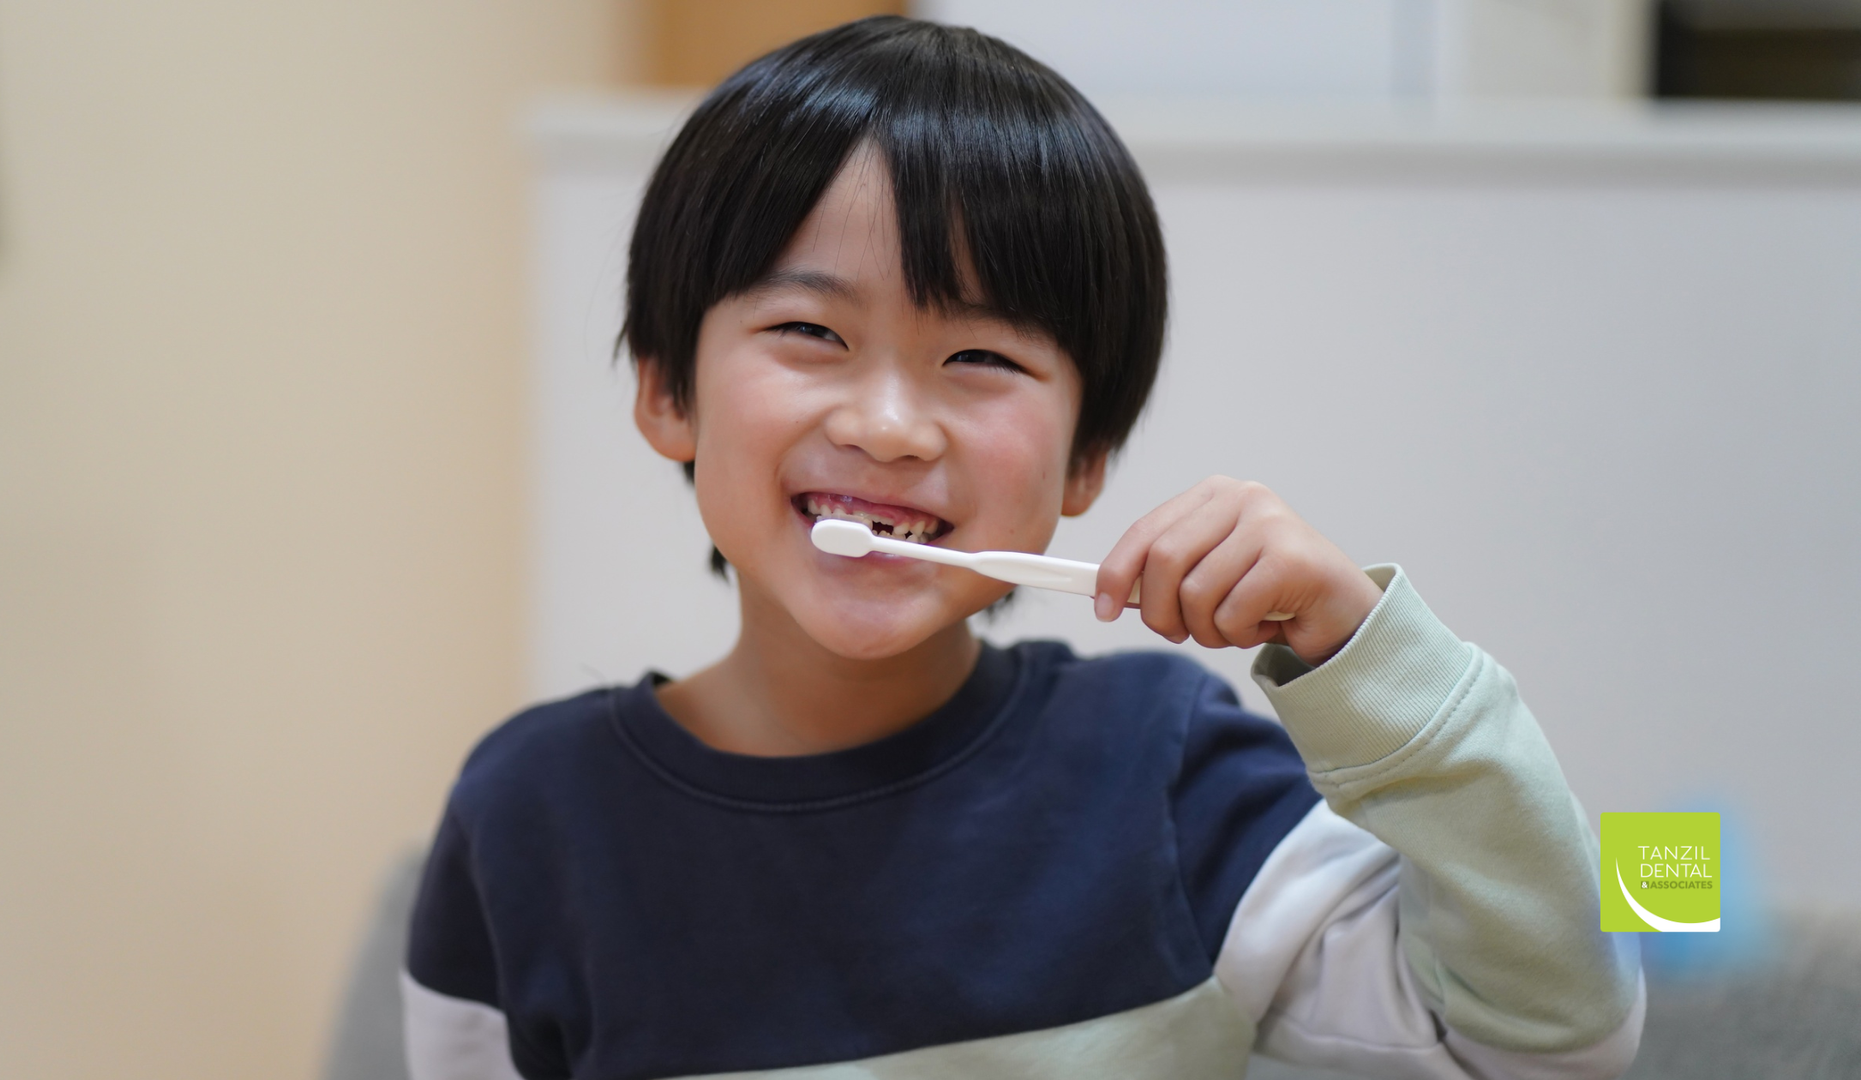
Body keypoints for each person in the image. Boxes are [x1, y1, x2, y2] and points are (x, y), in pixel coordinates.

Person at [401, 17, 1642, 1080]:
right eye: (807, 330)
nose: (886, 426)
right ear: (670, 391)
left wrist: (1370, 657)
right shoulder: (528, 821)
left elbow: (1546, 1035)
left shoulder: (1161, 776)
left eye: (980, 359)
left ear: (1084, 462)